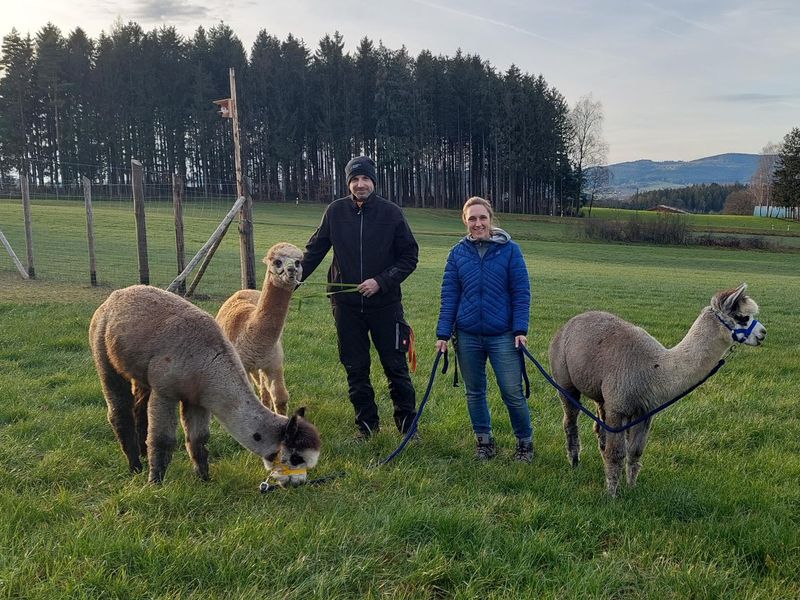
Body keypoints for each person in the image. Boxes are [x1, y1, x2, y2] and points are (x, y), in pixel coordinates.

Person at [301, 155, 419, 439]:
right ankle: (366, 426)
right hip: (346, 306)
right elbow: (314, 251)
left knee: (396, 367)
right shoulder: (335, 212)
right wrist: (287, 284)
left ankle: (407, 427)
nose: (360, 184)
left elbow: (409, 256)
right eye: (354, 179)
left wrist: (381, 281)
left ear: (373, 181)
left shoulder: (391, 213)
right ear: (348, 183)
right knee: (355, 367)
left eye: (365, 178)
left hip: (385, 306)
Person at [435, 197, 534, 462]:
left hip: (502, 335)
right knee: (474, 391)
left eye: (482, 218)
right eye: (472, 219)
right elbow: (449, 295)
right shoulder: (457, 253)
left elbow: (521, 292)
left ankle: (525, 443)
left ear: (491, 219)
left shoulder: (510, 250)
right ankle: (484, 442)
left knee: (511, 392)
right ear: (465, 221)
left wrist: (520, 329)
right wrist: (443, 334)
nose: (477, 223)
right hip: (467, 335)